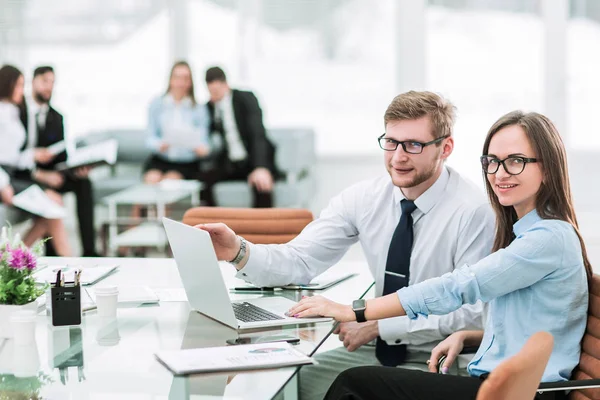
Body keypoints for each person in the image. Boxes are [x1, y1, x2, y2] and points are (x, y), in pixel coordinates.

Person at [197, 91, 495, 400]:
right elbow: (300, 259)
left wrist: (380, 325)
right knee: (283, 384)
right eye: (391, 142)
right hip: (375, 354)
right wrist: (238, 251)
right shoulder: (365, 198)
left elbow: (472, 313)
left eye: (414, 145)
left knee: (346, 389)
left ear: (445, 148)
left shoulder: (473, 211)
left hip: (440, 361)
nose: (397, 157)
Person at [288, 111, 591, 400]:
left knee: (354, 383)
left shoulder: (549, 238)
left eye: (516, 161)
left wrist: (354, 310)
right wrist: (472, 337)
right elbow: (528, 325)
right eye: (493, 161)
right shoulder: (525, 235)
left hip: (518, 392)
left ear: (548, 169)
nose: (499, 173)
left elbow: (458, 286)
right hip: (496, 384)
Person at [20, 66, 98, 257]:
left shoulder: (57, 117)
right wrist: (42, 175)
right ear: (33, 82)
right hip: (28, 175)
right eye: (45, 81)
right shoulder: (20, 113)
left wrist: (75, 169)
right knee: (52, 197)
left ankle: (90, 250)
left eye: (53, 83)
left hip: (52, 174)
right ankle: (53, 254)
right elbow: (15, 157)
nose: (49, 87)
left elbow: (61, 157)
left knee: (84, 183)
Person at [0, 65, 72, 255]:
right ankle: (75, 267)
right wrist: (3, 184)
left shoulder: (13, 112)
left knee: (51, 212)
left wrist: (34, 154)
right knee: (53, 209)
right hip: (6, 178)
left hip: (13, 174)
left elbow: (11, 155)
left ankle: (12, 260)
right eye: (18, 85)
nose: (21, 91)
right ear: (7, 85)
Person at [202, 66, 278, 208]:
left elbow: (258, 134)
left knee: (261, 184)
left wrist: (260, 166)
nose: (215, 95)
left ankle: (263, 228)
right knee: (204, 182)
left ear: (225, 85)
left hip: (252, 159)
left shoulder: (246, 99)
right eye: (211, 92)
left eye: (217, 91)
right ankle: (211, 225)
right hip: (230, 164)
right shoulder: (209, 107)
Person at [143, 61, 210, 184]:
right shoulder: (157, 104)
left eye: (185, 78)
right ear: (170, 80)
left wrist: (202, 149)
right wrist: (159, 145)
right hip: (161, 159)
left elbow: (204, 141)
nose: (180, 83)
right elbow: (150, 137)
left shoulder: (199, 109)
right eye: (177, 77)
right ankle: (141, 204)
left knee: (170, 182)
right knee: (151, 180)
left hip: (186, 163)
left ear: (190, 82)